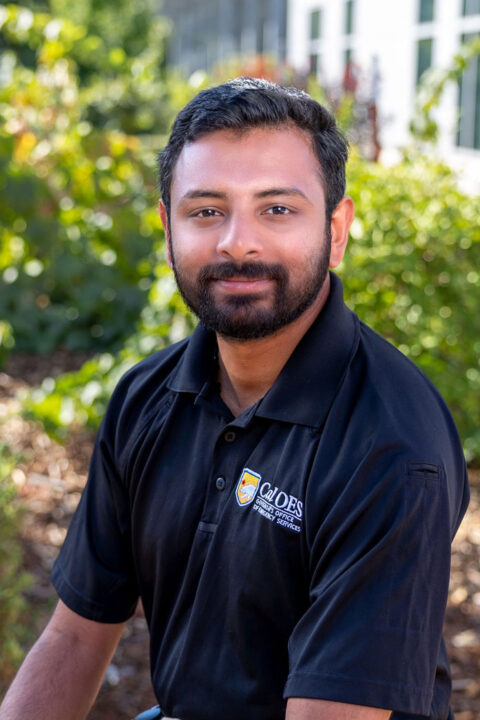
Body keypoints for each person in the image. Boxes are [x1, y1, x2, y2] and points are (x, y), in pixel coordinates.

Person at [0, 77, 469, 720]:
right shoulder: (146, 398)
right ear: (167, 227)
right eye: (206, 211)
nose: (236, 242)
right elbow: (74, 639)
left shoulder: (390, 447)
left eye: (276, 209)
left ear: (336, 230)